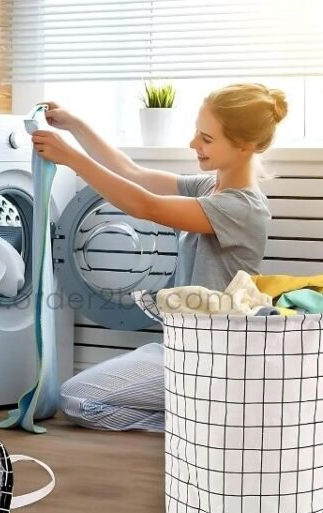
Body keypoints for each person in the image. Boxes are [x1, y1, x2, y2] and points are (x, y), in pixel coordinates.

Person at [32, 83, 288, 431]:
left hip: (214, 357)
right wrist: (75, 125)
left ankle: (208, 413)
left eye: (206, 138)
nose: (193, 143)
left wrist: (71, 158)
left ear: (244, 146)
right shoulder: (209, 187)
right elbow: (131, 173)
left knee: (76, 400)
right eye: (198, 132)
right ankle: (203, 415)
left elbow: (144, 205)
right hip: (182, 346)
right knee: (80, 397)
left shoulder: (240, 208)